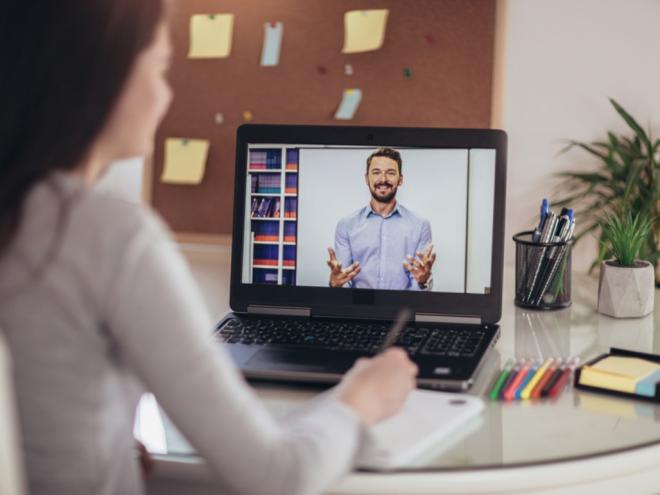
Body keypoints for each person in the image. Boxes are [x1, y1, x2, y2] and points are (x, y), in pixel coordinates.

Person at [0, 3, 418, 495]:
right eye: (159, 68)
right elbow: (279, 477)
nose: (166, 93)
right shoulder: (108, 234)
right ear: (102, 76)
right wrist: (361, 398)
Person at [326, 148, 437, 290]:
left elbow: (418, 284)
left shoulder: (420, 225)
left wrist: (423, 281)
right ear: (367, 179)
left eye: (390, 173)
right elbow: (343, 279)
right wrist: (335, 284)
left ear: (400, 179)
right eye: (376, 172)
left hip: (403, 309)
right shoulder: (346, 225)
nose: (383, 179)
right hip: (358, 309)